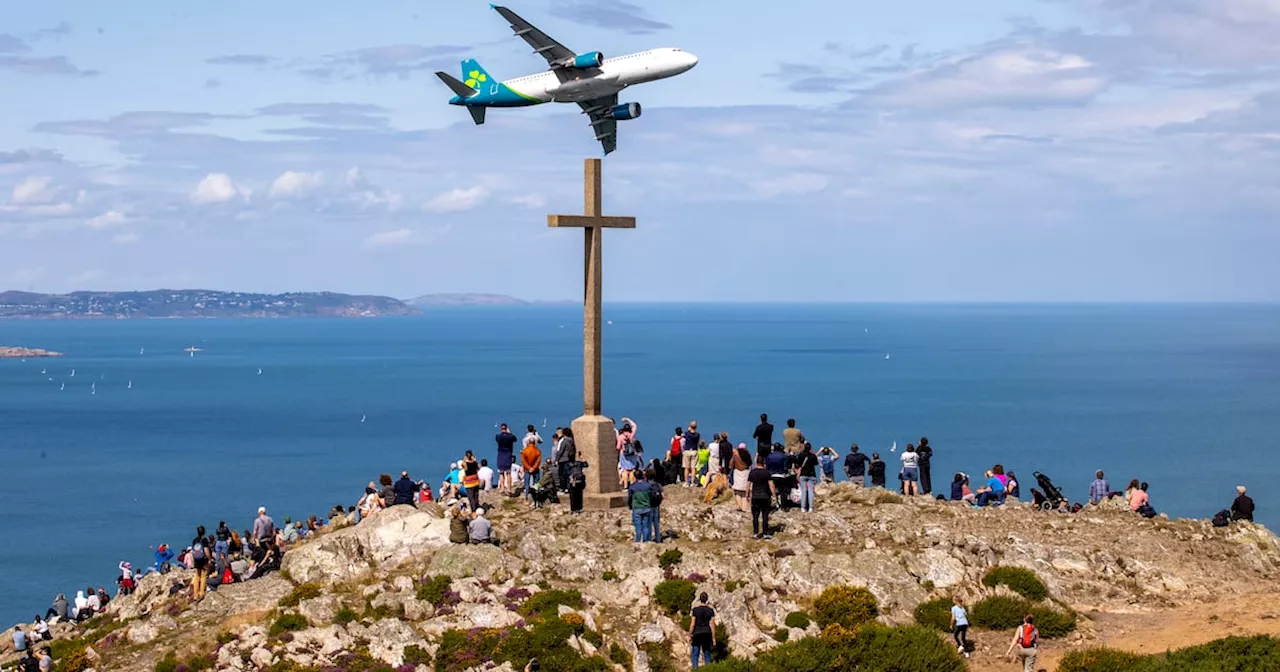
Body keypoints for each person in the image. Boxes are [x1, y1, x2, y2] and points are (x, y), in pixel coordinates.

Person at [747, 454, 775, 539]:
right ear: (763, 463)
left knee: (755, 515)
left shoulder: (752, 472)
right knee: (765, 515)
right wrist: (774, 495)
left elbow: (748, 485)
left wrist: (747, 494)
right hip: (765, 496)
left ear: (756, 462)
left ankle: (755, 533)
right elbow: (771, 485)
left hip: (755, 496)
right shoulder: (767, 472)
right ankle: (765, 533)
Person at [689, 592, 717, 669]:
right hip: (707, 633)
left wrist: (690, 634)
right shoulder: (710, 610)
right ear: (707, 600)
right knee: (707, 653)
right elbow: (712, 625)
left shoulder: (695, 610)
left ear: (699, 599)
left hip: (697, 633)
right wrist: (713, 638)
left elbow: (693, 623)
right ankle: (708, 669)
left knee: (695, 654)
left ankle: (695, 669)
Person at [628, 469, 656, 543]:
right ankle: (645, 540)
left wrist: (630, 506)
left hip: (637, 508)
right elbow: (652, 496)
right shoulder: (648, 485)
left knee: (638, 526)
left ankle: (638, 540)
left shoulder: (632, 487)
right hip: (647, 507)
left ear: (635, 476)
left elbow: (630, 498)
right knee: (646, 526)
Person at [794, 442, 820, 513]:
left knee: (804, 491)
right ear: (810, 448)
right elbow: (816, 463)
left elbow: (797, 464)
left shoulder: (801, 455)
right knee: (811, 491)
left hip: (803, 474)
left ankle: (803, 508)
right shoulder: (813, 456)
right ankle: (810, 508)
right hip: (811, 475)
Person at [495, 424, 518, 494]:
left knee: (501, 473)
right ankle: (509, 488)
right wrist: (509, 433)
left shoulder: (498, 437)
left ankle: (502, 488)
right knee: (508, 473)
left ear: (501, 429)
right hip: (508, 454)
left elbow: (497, 440)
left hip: (501, 454)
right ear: (506, 428)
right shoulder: (510, 437)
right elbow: (515, 439)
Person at [191, 525, 210, 600]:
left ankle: (195, 594)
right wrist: (209, 558)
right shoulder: (204, 540)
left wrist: (193, 561)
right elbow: (206, 550)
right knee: (203, 577)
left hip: (196, 560)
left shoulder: (194, 540)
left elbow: (193, 551)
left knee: (197, 576)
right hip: (203, 560)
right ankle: (201, 593)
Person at [683, 421, 702, 486]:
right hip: (694, 451)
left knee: (686, 467)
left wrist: (688, 430)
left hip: (687, 451)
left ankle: (686, 482)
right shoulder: (697, 435)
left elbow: (684, 436)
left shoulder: (686, 433)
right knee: (693, 468)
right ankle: (692, 482)